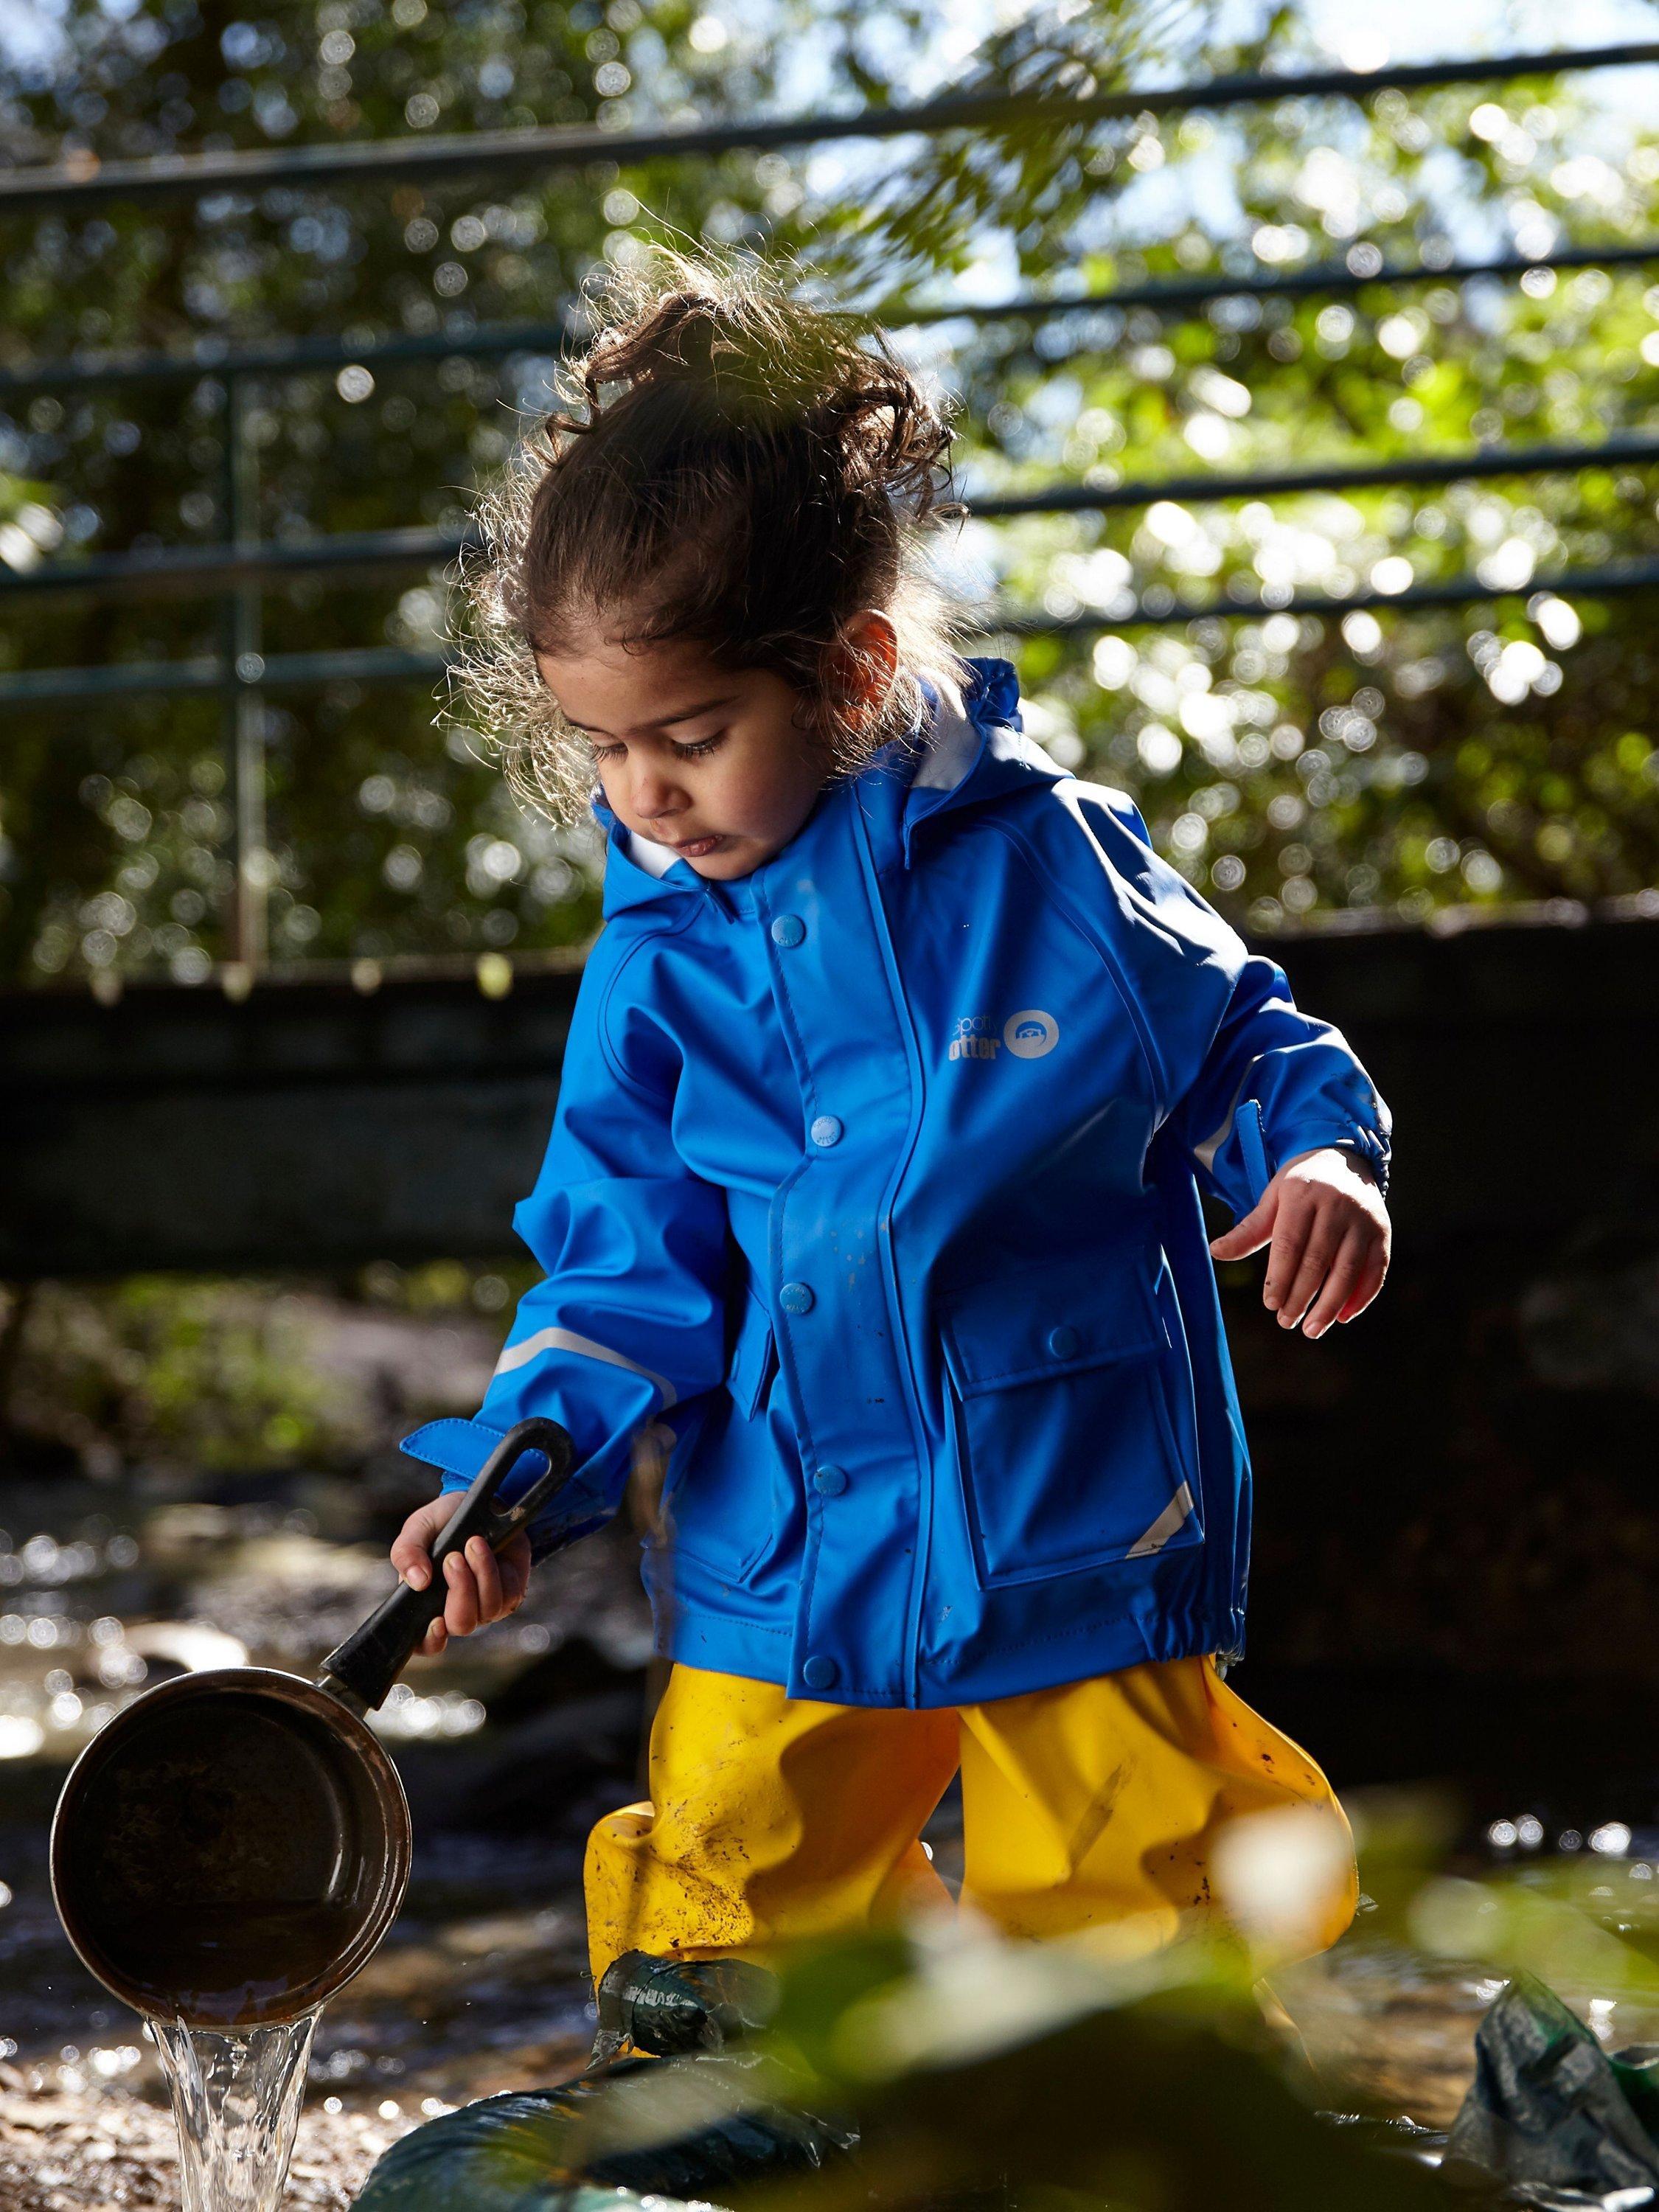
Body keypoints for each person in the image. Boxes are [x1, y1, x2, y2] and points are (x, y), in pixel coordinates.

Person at [389, 244, 1392, 1991]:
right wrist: (520, 1473)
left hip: (1076, 1514)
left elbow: (1239, 1036)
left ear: (851, 674)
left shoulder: (1050, 865)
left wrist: (1317, 1154)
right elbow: (621, 1267)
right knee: (733, 1938)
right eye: (605, 751)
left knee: (1129, 1943)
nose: (644, 796)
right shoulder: (656, 960)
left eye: (691, 736)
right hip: (786, 1542)